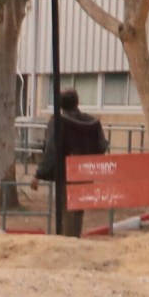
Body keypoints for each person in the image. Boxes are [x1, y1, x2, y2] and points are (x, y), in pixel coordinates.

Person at [37, 88, 109, 238]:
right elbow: (102, 146)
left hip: (67, 171)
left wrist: (40, 173)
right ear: (77, 102)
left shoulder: (58, 122)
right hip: (86, 171)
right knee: (78, 208)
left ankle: (69, 239)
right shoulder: (92, 122)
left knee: (67, 207)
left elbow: (51, 148)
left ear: (61, 105)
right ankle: (75, 235)